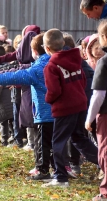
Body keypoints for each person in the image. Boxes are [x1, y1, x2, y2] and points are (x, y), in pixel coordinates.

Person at [0, 33, 55, 181]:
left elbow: (18, 76)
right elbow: (15, 69)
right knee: (51, 143)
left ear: (35, 51)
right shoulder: (48, 62)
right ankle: (57, 169)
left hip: (45, 113)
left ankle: (42, 170)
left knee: (41, 143)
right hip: (54, 113)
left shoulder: (39, 68)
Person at [41, 28, 98, 188]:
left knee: (58, 141)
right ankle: (104, 162)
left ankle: (60, 178)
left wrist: (48, 100)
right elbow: (84, 81)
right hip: (80, 104)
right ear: (63, 44)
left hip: (64, 108)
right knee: (80, 139)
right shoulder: (77, 59)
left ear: (47, 48)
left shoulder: (51, 66)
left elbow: (54, 91)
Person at [85, 19, 107, 201]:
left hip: (106, 114)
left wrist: (89, 118)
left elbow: (98, 95)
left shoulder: (104, 63)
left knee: (105, 152)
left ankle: (105, 193)